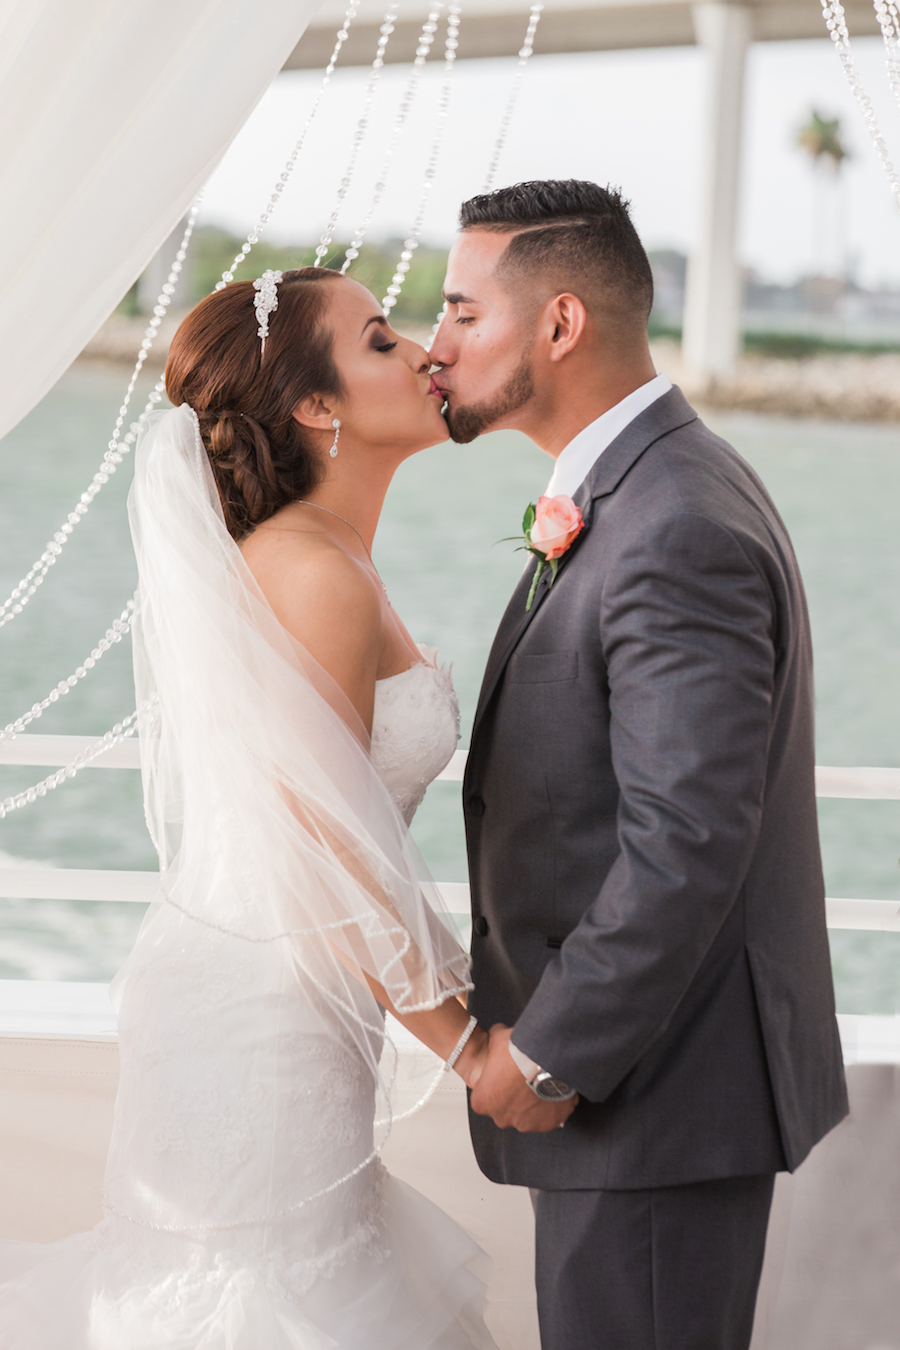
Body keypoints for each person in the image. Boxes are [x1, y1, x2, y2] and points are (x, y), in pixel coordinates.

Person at [0, 268, 509, 1348]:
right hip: (262, 1015)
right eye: (380, 340)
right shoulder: (314, 573)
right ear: (318, 406)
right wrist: (468, 1049)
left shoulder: (330, 561)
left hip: (294, 991)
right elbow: (325, 845)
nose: (422, 351)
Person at [430, 180, 849, 1350]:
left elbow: (688, 841)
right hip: (649, 1105)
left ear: (560, 324)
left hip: (651, 1098)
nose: (436, 344)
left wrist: (555, 1051)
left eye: (464, 312)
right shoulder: (653, 484)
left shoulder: (673, 525)